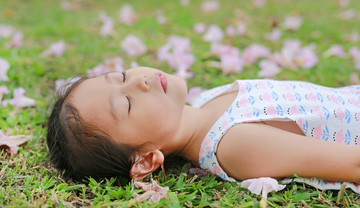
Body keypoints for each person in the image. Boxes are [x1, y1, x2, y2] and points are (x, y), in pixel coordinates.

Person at [47, 66, 360, 192]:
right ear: (144, 160)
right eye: (127, 104)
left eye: (122, 75)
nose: (139, 80)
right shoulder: (235, 143)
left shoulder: (208, 99)